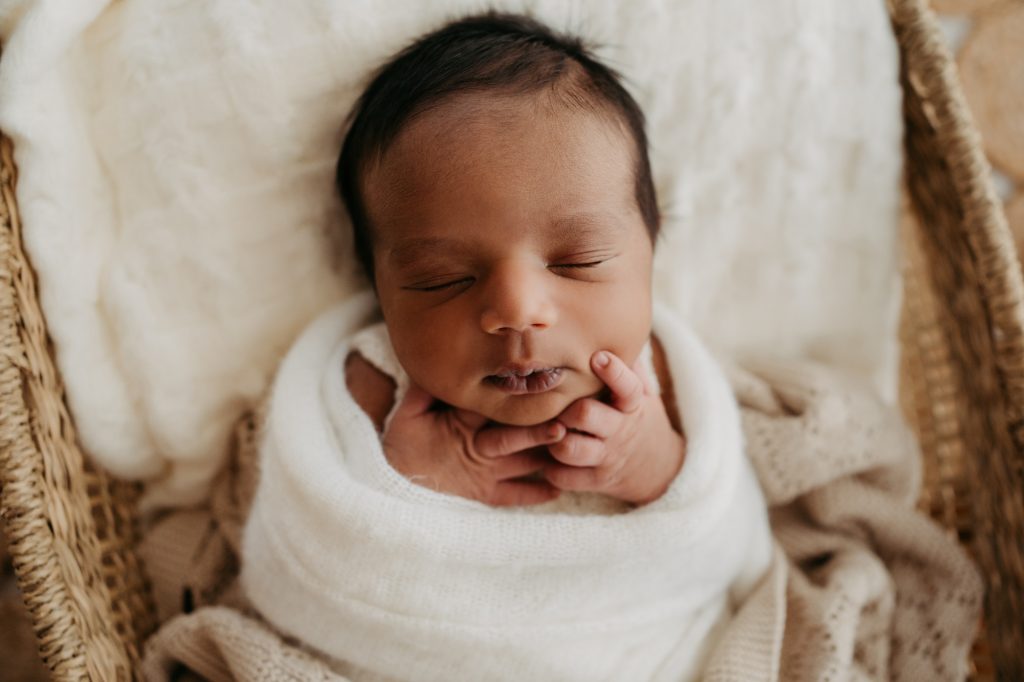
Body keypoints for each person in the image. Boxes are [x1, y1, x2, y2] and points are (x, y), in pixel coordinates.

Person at [337, 11, 691, 509]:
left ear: (651, 247)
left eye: (578, 260)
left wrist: (659, 468)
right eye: (444, 279)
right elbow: (293, 551)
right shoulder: (374, 387)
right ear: (378, 286)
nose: (516, 312)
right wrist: (403, 488)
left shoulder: (665, 379)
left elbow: (736, 542)